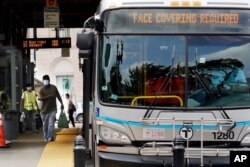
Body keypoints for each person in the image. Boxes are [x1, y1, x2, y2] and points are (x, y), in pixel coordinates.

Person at [38, 75, 64, 142]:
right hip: (44, 111)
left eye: (47, 80)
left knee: (51, 124)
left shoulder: (54, 87)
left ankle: (50, 138)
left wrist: (61, 103)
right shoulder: (41, 89)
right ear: (43, 81)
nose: (46, 81)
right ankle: (46, 137)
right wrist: (50, 96)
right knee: (45, 126)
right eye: (44, 80)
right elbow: (40, 98)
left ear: (49, 80)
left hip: (53, 109)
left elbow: (58, 95)